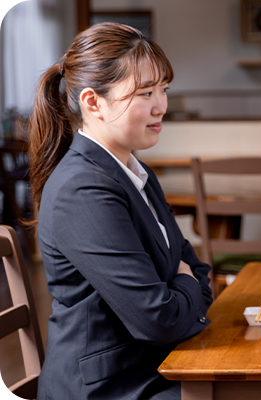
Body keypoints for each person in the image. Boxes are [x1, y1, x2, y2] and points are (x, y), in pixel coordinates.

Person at [28, 23, 213, 399]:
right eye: (145, 93)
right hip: (113, 387)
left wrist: (185, 285)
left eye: (163, 89)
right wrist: (187, 285)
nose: (161, 105)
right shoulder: (82, 188)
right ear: (93, 102)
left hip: (155, 366)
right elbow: (159, 320)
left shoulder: (133, 171)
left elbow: (197, 269)